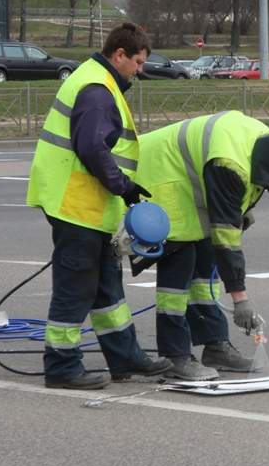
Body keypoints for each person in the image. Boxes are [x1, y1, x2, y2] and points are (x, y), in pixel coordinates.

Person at [27, 23, 171, 389]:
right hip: (76, 206)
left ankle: (125, 357)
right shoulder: (96, 90)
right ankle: (61, 367)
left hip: (89, 206)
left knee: (107, 288)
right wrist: (123, 186)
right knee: (75, 289)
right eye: (137, 62)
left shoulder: (99, 82)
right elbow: (91, 147)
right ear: (118, 55)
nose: (140, 70)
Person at [134, 111, 269, 380]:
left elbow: (248, 187)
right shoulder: (228, 163)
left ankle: (215, 346)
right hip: (160, 179)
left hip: (187, 187)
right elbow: (227, 240)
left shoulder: (265, 143)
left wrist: (242, 208)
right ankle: (175, 356)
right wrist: (241, 299)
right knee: (178, 269)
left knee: (205, 269)